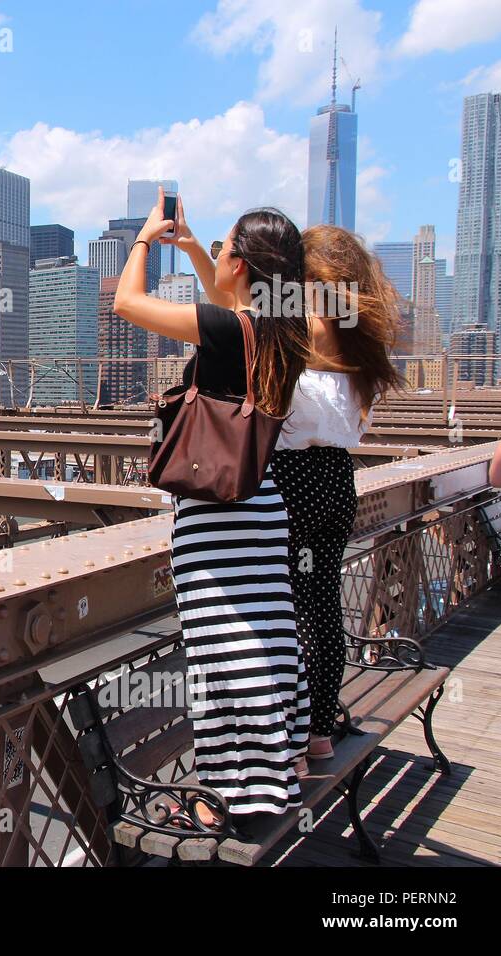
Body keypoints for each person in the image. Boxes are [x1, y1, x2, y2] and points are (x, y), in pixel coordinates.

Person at [113, 188, 310, 825]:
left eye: (225, 248)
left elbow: (127, 304)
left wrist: (144, 240)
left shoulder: (232, 330)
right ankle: (276, 766)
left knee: (220, 652)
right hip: (262, 505)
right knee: (264, 638)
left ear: (243, 267)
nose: (218, 256)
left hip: (216, 519)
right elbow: (231, 302)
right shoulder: (285, 330)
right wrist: (197, 246)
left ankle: (228, 798)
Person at [272, 225, 403, 761]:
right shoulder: (355, 336)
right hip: (335, 479)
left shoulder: (304, 323)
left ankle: (287, 736)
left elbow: (232, 311)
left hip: (292, 479)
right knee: (320, 605)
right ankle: (319, 731)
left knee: (281, 612)